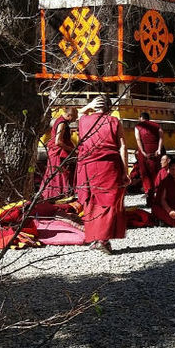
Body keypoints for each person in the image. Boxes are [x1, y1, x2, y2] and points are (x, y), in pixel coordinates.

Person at [75, 96, 127, 253]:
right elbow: (122, 147)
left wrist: (88, 106)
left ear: (94, 107)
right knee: (109, 202)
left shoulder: (84, 120)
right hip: (109, 167)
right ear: (110, 108)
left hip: (88, 167)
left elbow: (78, 114)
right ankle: (103, 240)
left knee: (92, 202)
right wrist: (125, 171)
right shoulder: (114, 121)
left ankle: (97, 238)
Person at [42, 107, 77, 200]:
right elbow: (58, 141)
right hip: (58, 154)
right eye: (74, 117)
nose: (75, 119)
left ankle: (55, 196)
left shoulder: (60, 120)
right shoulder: (62, 124)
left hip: (57, 153)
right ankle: (57, 196)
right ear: (69, 115)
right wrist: (72, 150)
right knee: (59, 176)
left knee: (56, 175)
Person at [134, 111, 164, 204]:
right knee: (156, 171)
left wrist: (142, 152)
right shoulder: (157, 125)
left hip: (144, 151)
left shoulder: (138, 127)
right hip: (156, 150)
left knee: (145, 173)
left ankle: (149, 196)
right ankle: (158, 194)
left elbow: (138, 139)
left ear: (140, 118)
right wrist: (159, 149)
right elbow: (161, 138)